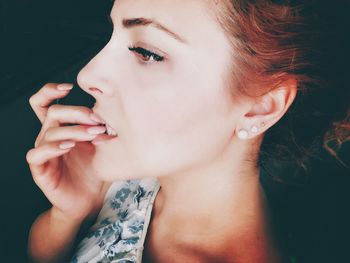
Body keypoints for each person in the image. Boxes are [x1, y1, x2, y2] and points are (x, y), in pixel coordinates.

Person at [26, 0, 349, 262]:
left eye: (147, 53)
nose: (87, 76)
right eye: (110, 36)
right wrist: (69, 214)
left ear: (260, 107)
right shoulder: (130, 174)